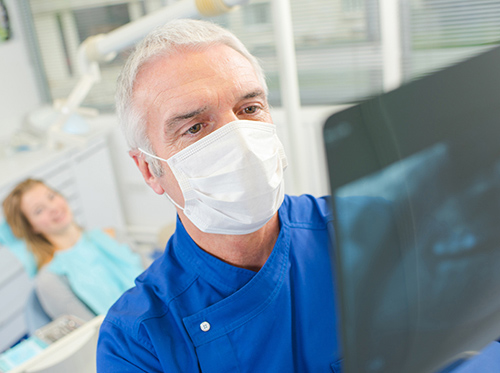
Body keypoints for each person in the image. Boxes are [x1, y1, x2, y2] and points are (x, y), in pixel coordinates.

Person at [97, 19, 342, 372]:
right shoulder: (136, 342)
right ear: (150, 169)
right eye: (194, 127)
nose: (240, 142)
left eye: (249, 109)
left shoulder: (358, 231)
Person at [2, 178, 144, 321]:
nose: (53, 208)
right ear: (31, 227)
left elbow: (158, 279)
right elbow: (93, 333)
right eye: (39, 210)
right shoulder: (50, 280)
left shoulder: (112, 235)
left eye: (51, 197)